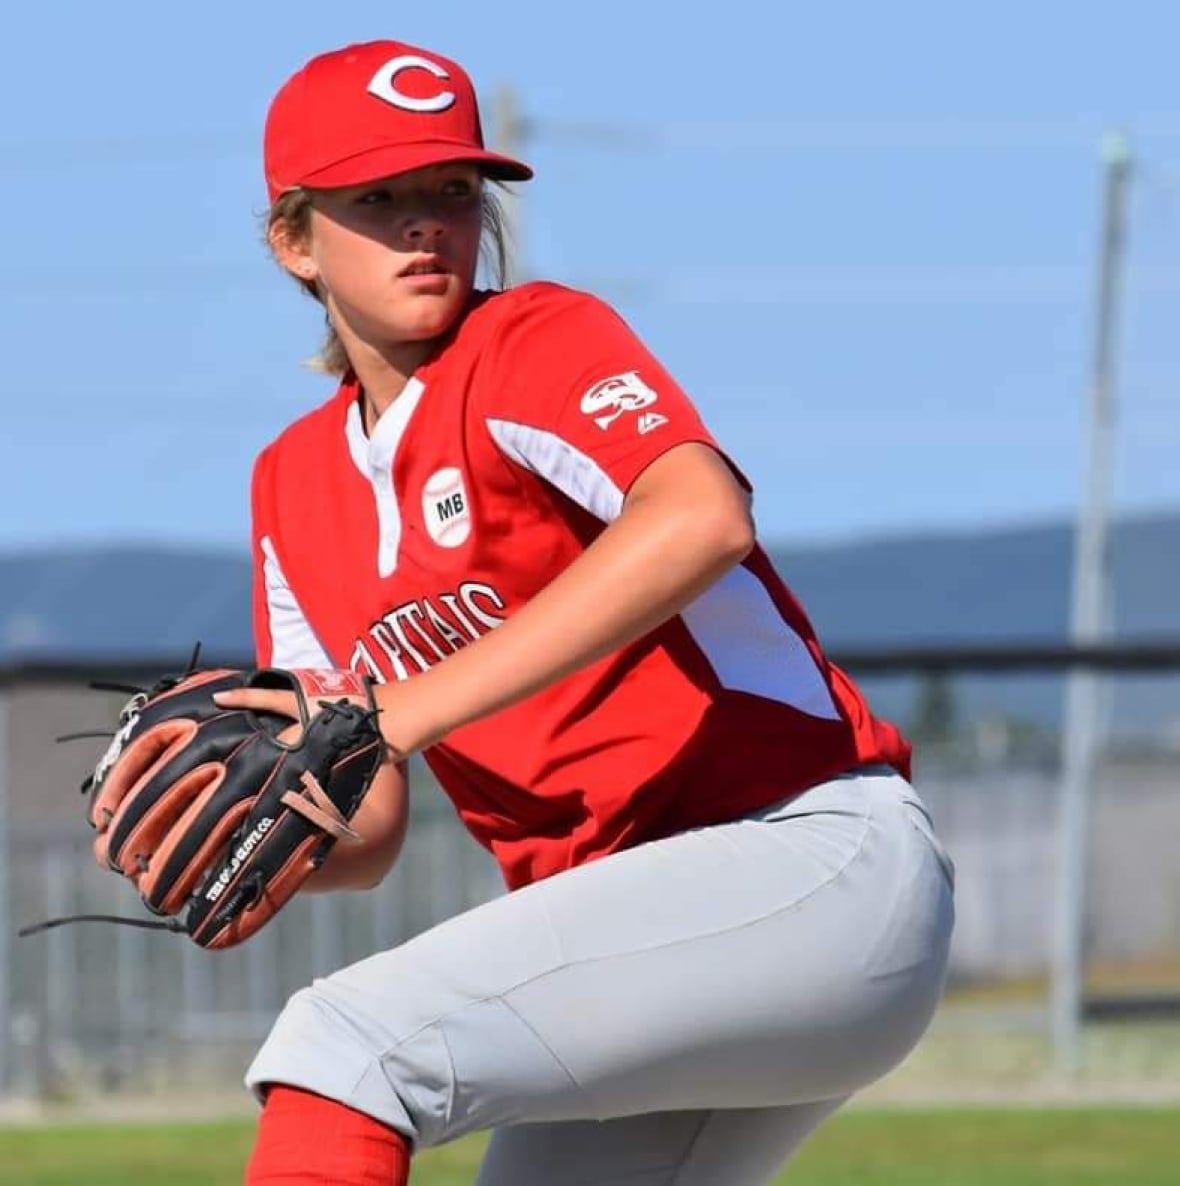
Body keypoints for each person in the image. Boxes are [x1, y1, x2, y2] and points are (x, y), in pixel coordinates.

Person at [215, 36, 956, 1186]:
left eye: (452, 192)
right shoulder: (288, 487)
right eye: (381, 198)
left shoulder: (527, 343)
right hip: (640, 935)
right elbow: (366, 826)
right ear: (293, 239)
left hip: (806, 861)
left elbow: (701, 515)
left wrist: (396, 713)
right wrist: (251, 821)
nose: (426, 224)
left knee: (346, 1043)